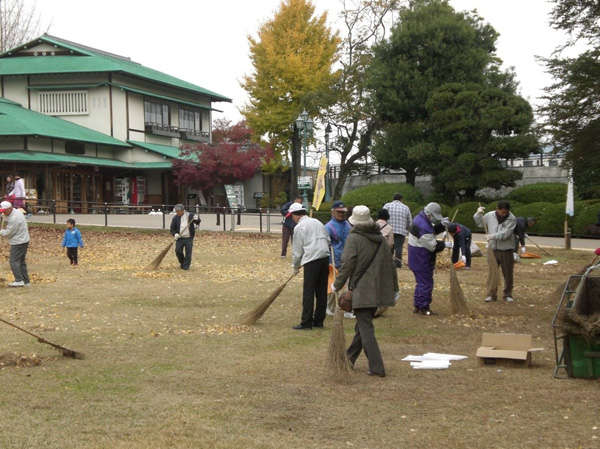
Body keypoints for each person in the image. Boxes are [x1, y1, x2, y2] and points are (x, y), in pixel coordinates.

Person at [331, 205, 398, 377]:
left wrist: (336, 285)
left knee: (365, 328)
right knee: (362, 327)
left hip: (361, 290)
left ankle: (377, 367)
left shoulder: (354, 239)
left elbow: (347, 264)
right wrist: (394, 289)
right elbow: (391, 266)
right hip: (379, 290)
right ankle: (348, 359)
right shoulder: (381, 239)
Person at [290, 202, 331, 330]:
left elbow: (297, 251)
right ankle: (319, 321)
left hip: (312, 261)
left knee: (308, 291)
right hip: (324, 258)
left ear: (295, 215)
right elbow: (328, 240)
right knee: (321, 291)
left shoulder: (299, 227)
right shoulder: (317, 222)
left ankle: (306, 322)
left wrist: (295, 266)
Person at [473, 201, 517, 303]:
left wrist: (493, 236)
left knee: (508, 273)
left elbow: (506, 233)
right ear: (497, 209)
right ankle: (491, 294)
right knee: (492, 272)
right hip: (492, 249)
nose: (504, 214)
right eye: (502, 212)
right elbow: (480, 224)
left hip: (506, 250)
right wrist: (477, 215)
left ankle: (507, 294)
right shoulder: (489, 215)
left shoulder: (512, 219)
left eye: (506, 212)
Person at [407, 202, 447, 315]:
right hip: (421, 258)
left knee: (420, 283)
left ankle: (418, 305)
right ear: (429, 214)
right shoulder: (423, 226)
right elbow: (432, 245)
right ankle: (424, 307)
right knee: (426, 283)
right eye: (434, 217)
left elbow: (432, 231)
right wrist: (446, 245)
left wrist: (442, 225)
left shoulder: (420, 219)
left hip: (415, 257)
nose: (435, 219)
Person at [325, 200, 352, 317]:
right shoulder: (328, 227)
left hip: (348, 260)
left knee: (350, 286)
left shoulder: (348, 225)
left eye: (343, 212)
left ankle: (347, 308)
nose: (341, 214)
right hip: (333, 261)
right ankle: (329, 307)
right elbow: (326, 245)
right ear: (332, 212)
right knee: (333, 286)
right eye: (338, 212)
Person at [0, 200, 30, 287]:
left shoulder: (14, 218)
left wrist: (1, 232)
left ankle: (19, 280)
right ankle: (26, 281)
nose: (4, 213)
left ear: (10, 208)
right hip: (24, 240)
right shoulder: (17, 212)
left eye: (4, 211)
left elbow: (9, 232)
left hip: (18, 242)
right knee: (21, 261)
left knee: (13, 261)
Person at [383, 193, 412, 268]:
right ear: (401, 199)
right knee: (398, 247)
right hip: (401, 230)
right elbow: (409, 221)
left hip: (389, 230)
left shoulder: (387, 205)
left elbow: (383, 216)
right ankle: (398, 263)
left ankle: (388, 261)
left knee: (389, 246)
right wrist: (407, 228)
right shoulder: (406, 207)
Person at [170, 204, 201, 270]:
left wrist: (197, 218)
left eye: (178, 211)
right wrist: (175, 234)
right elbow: (172, 228)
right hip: (180, 238)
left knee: (188, 252)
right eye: (176, 211)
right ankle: (182, 262)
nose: (177, 213)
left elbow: (198, 222)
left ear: (182, 210)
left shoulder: (190, 215)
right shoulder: (175, 218)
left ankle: (186, 265)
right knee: (178, 251)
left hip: (189, 238)